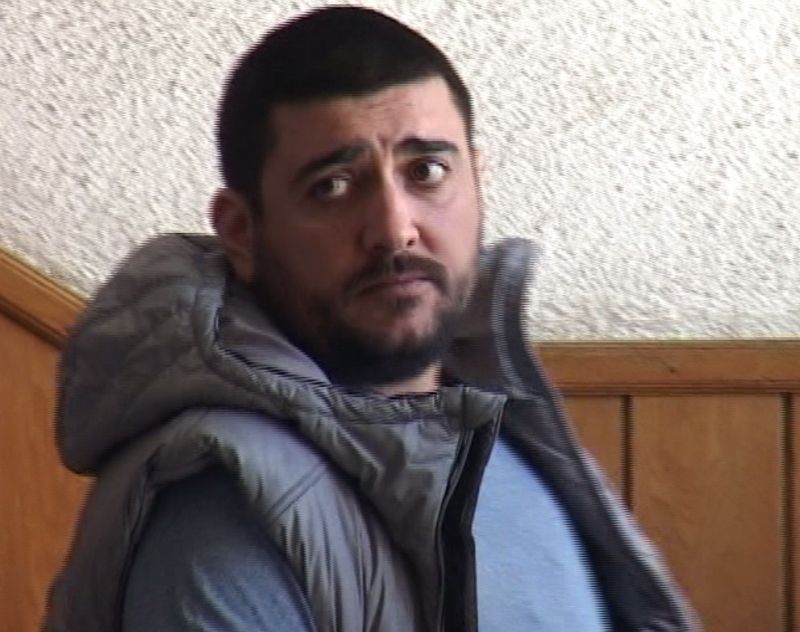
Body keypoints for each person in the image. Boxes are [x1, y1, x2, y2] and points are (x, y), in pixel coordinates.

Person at [45, 6, 697, 632]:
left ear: (477, 180)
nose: (393, 228)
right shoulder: (224, 511)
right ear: (241, 231)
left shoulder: (501, 424)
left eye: (427, 171)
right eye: (332, 186)